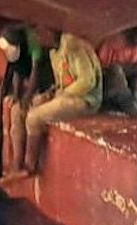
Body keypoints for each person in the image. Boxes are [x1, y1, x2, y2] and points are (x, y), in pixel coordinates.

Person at [16, 29, 102, 178]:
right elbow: (63, 81)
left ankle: (29, 168)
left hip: (85, 100)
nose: (36, 41)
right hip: (68, 94)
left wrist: (64, 93)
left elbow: (87, 81)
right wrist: (54, 91)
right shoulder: (53, 52)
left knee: (33, 118)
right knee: (26, 107)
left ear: (48, 31)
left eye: (38, 34)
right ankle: (17, 163)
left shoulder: (72, 45)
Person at [0, 24, 43, 181]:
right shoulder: (14, 51)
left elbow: (36, 71)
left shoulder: (33, 43)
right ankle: (17, 164)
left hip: (45, 86)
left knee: (31, 112)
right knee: (15, 111)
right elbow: (17, 71)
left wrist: (27, 96)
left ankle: (29, 165)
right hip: (30, 89)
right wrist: (17, 95)